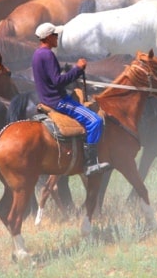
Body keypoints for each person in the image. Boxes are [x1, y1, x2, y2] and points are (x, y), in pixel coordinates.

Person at [31, 22, 111, 176]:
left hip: (47, 98)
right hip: (59, 101)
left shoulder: (37, 54)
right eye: (55, 35)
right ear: (48, 37)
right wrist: (78, 69)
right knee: (95, 121)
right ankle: (90, 163)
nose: (57, 37)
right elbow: (58, 81)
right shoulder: (48, 54)